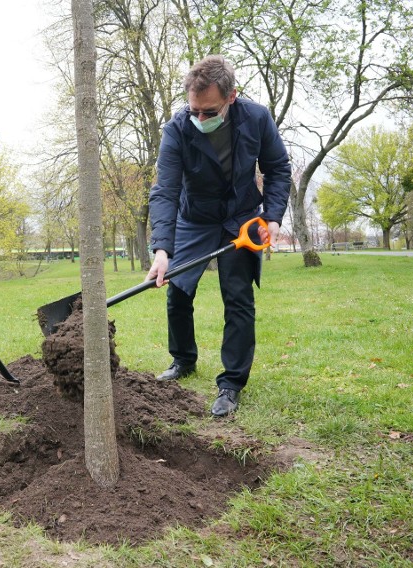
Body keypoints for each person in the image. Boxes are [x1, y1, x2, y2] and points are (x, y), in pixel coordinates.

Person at [147, 55, 290, 417]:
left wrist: (272, 216)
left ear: (231, 97)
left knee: (238, 297)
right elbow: (164, 190)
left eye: (208, 112)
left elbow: (277, 167)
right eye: (194, 110)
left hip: (240, 217)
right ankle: (183, 359)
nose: (200, 119)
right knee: (178, 290)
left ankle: (231, 384)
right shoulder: (177, 129)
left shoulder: (256, 118)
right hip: (194, 217)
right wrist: (162, 249)